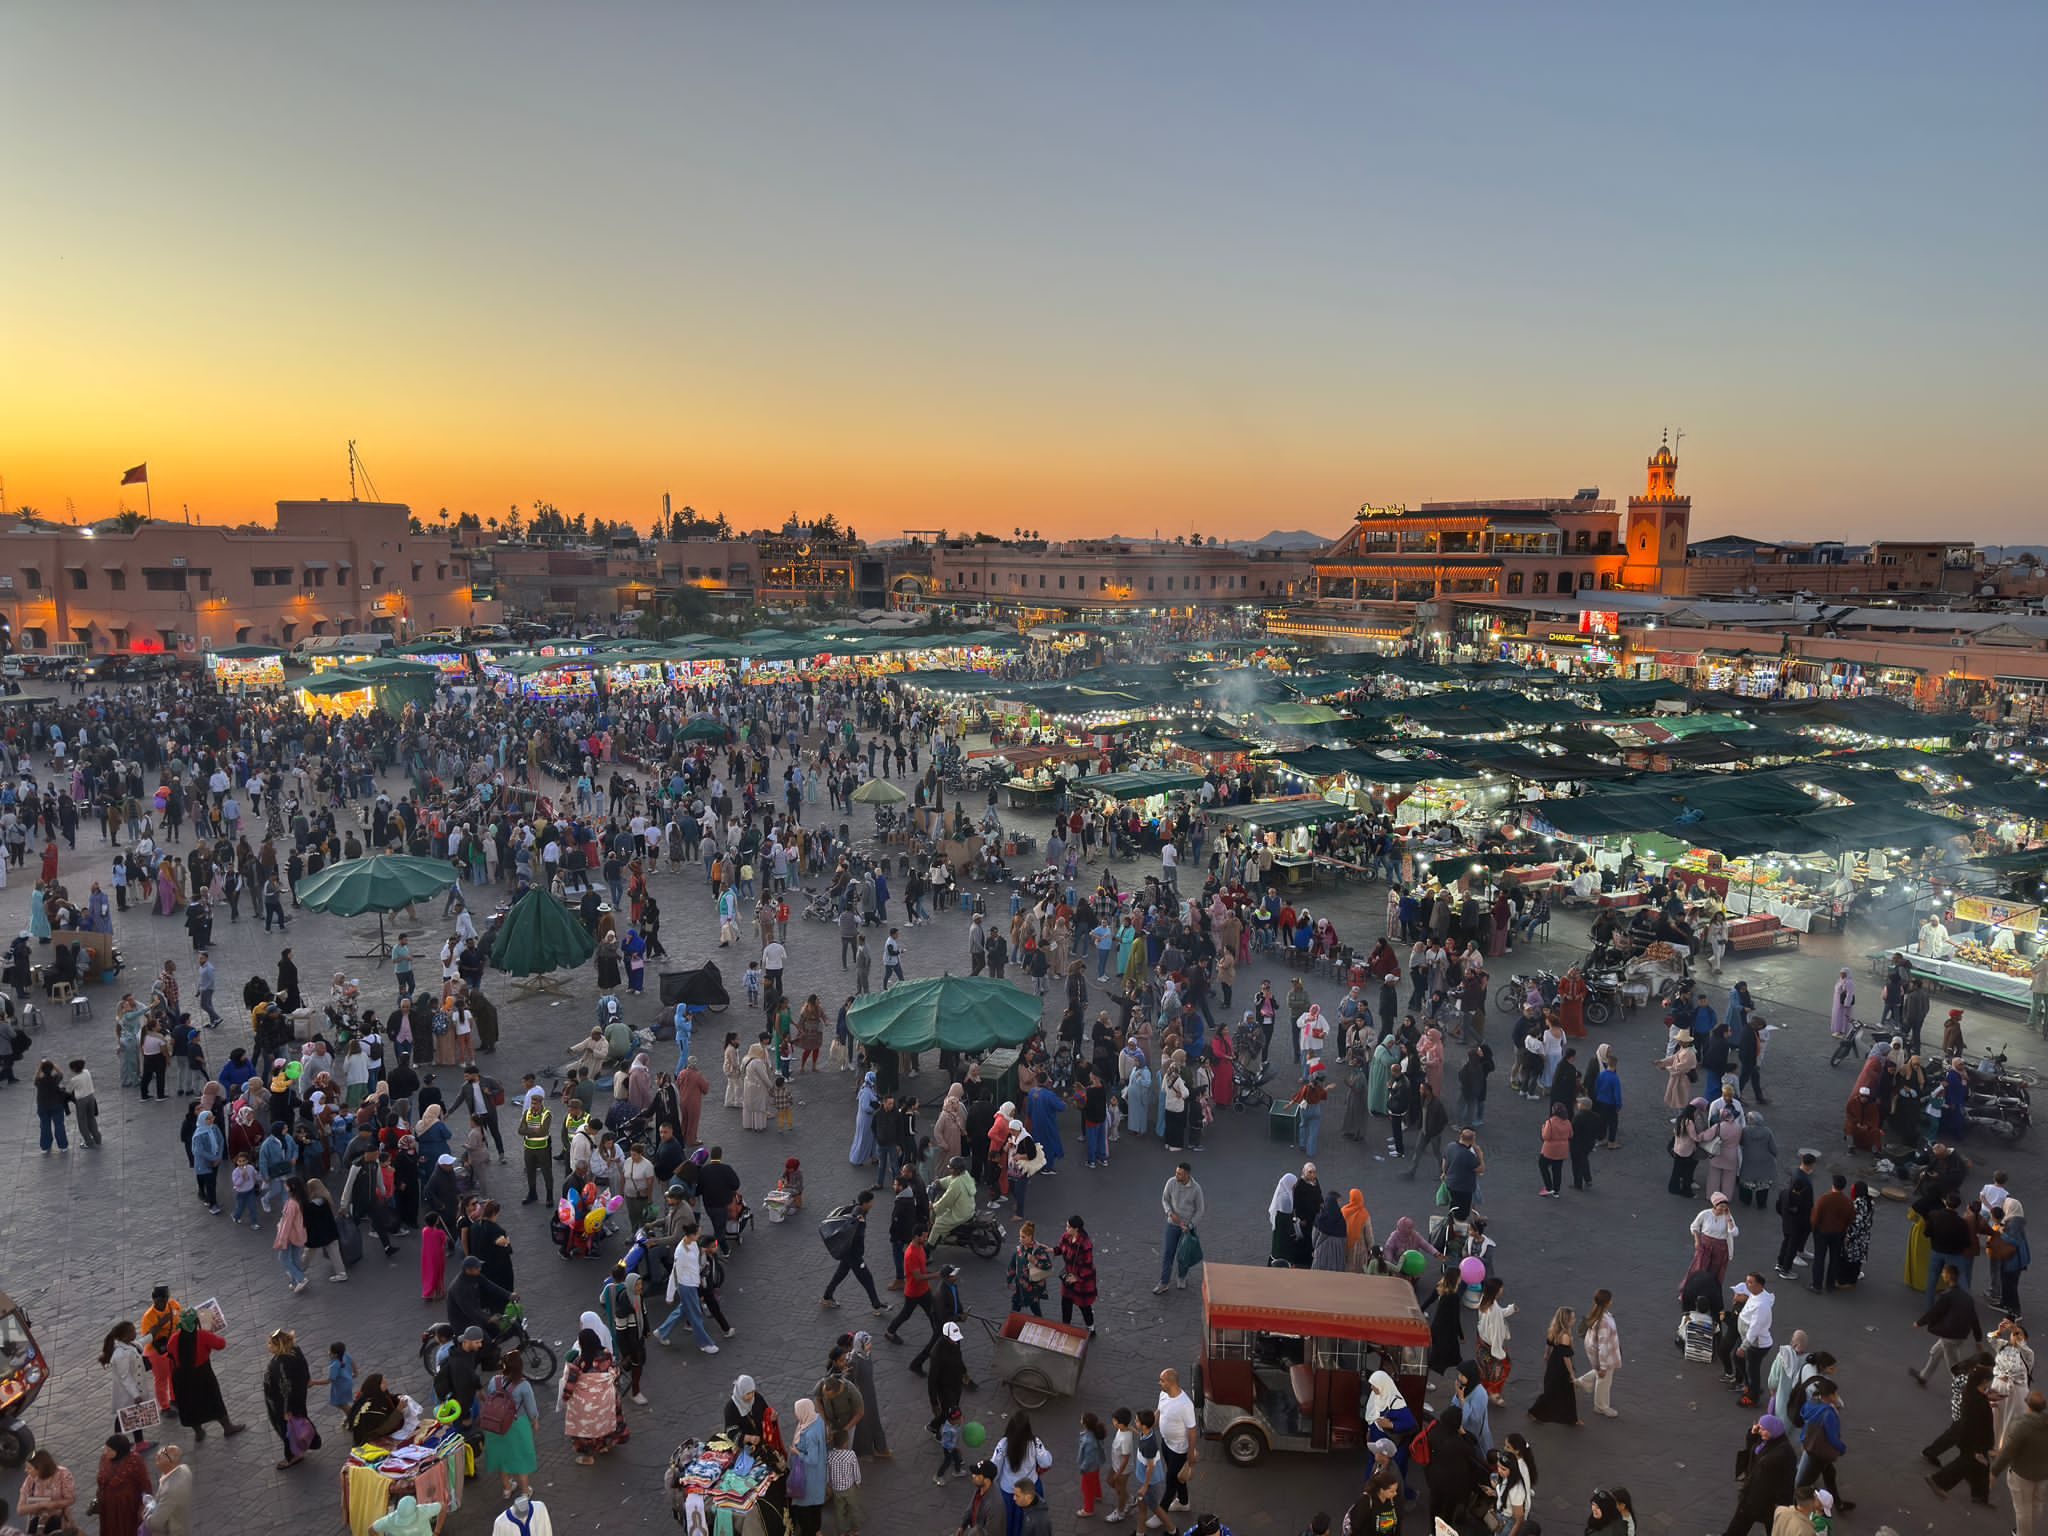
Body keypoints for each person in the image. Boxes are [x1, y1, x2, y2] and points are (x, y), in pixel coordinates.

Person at [262, 1327, 318, 1471]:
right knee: (299, 1422)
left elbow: (285, 1389)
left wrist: (286, 1410)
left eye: (270, 1344)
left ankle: (294, 1455)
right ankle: (302, 1446)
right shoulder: (295, 1350)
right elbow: (305, 1368)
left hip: (284, 1404)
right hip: (299, 1397)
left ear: (278, 1345)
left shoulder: (280, 1363)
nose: (268, 1346)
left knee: (288, 1429)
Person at [1155, 1163, 1204, 1296]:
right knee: (1168, 1254)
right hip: (1172, 1225)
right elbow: (1165, 1199)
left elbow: (1200, 1210)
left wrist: (1190, 1225)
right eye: (1176, 1172)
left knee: (1184, 1256)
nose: (1176, 1175)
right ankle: (1164, 1282)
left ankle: (1182, 1277)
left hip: (1187, 1228)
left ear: (1187, 1175)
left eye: (1180, 1174)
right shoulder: (1171, 1182)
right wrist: (1170, 1213)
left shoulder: (1196, 1189)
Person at [94, 1436, 153, 1536]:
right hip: (108, 1506)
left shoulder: (135, 1460)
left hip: (127, 1506)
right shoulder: (105, 1458)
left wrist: (144, 1506)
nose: (105, 1452)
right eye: (105, 1449)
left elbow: (145, 1483)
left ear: (119, 1451)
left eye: (109, 1450)